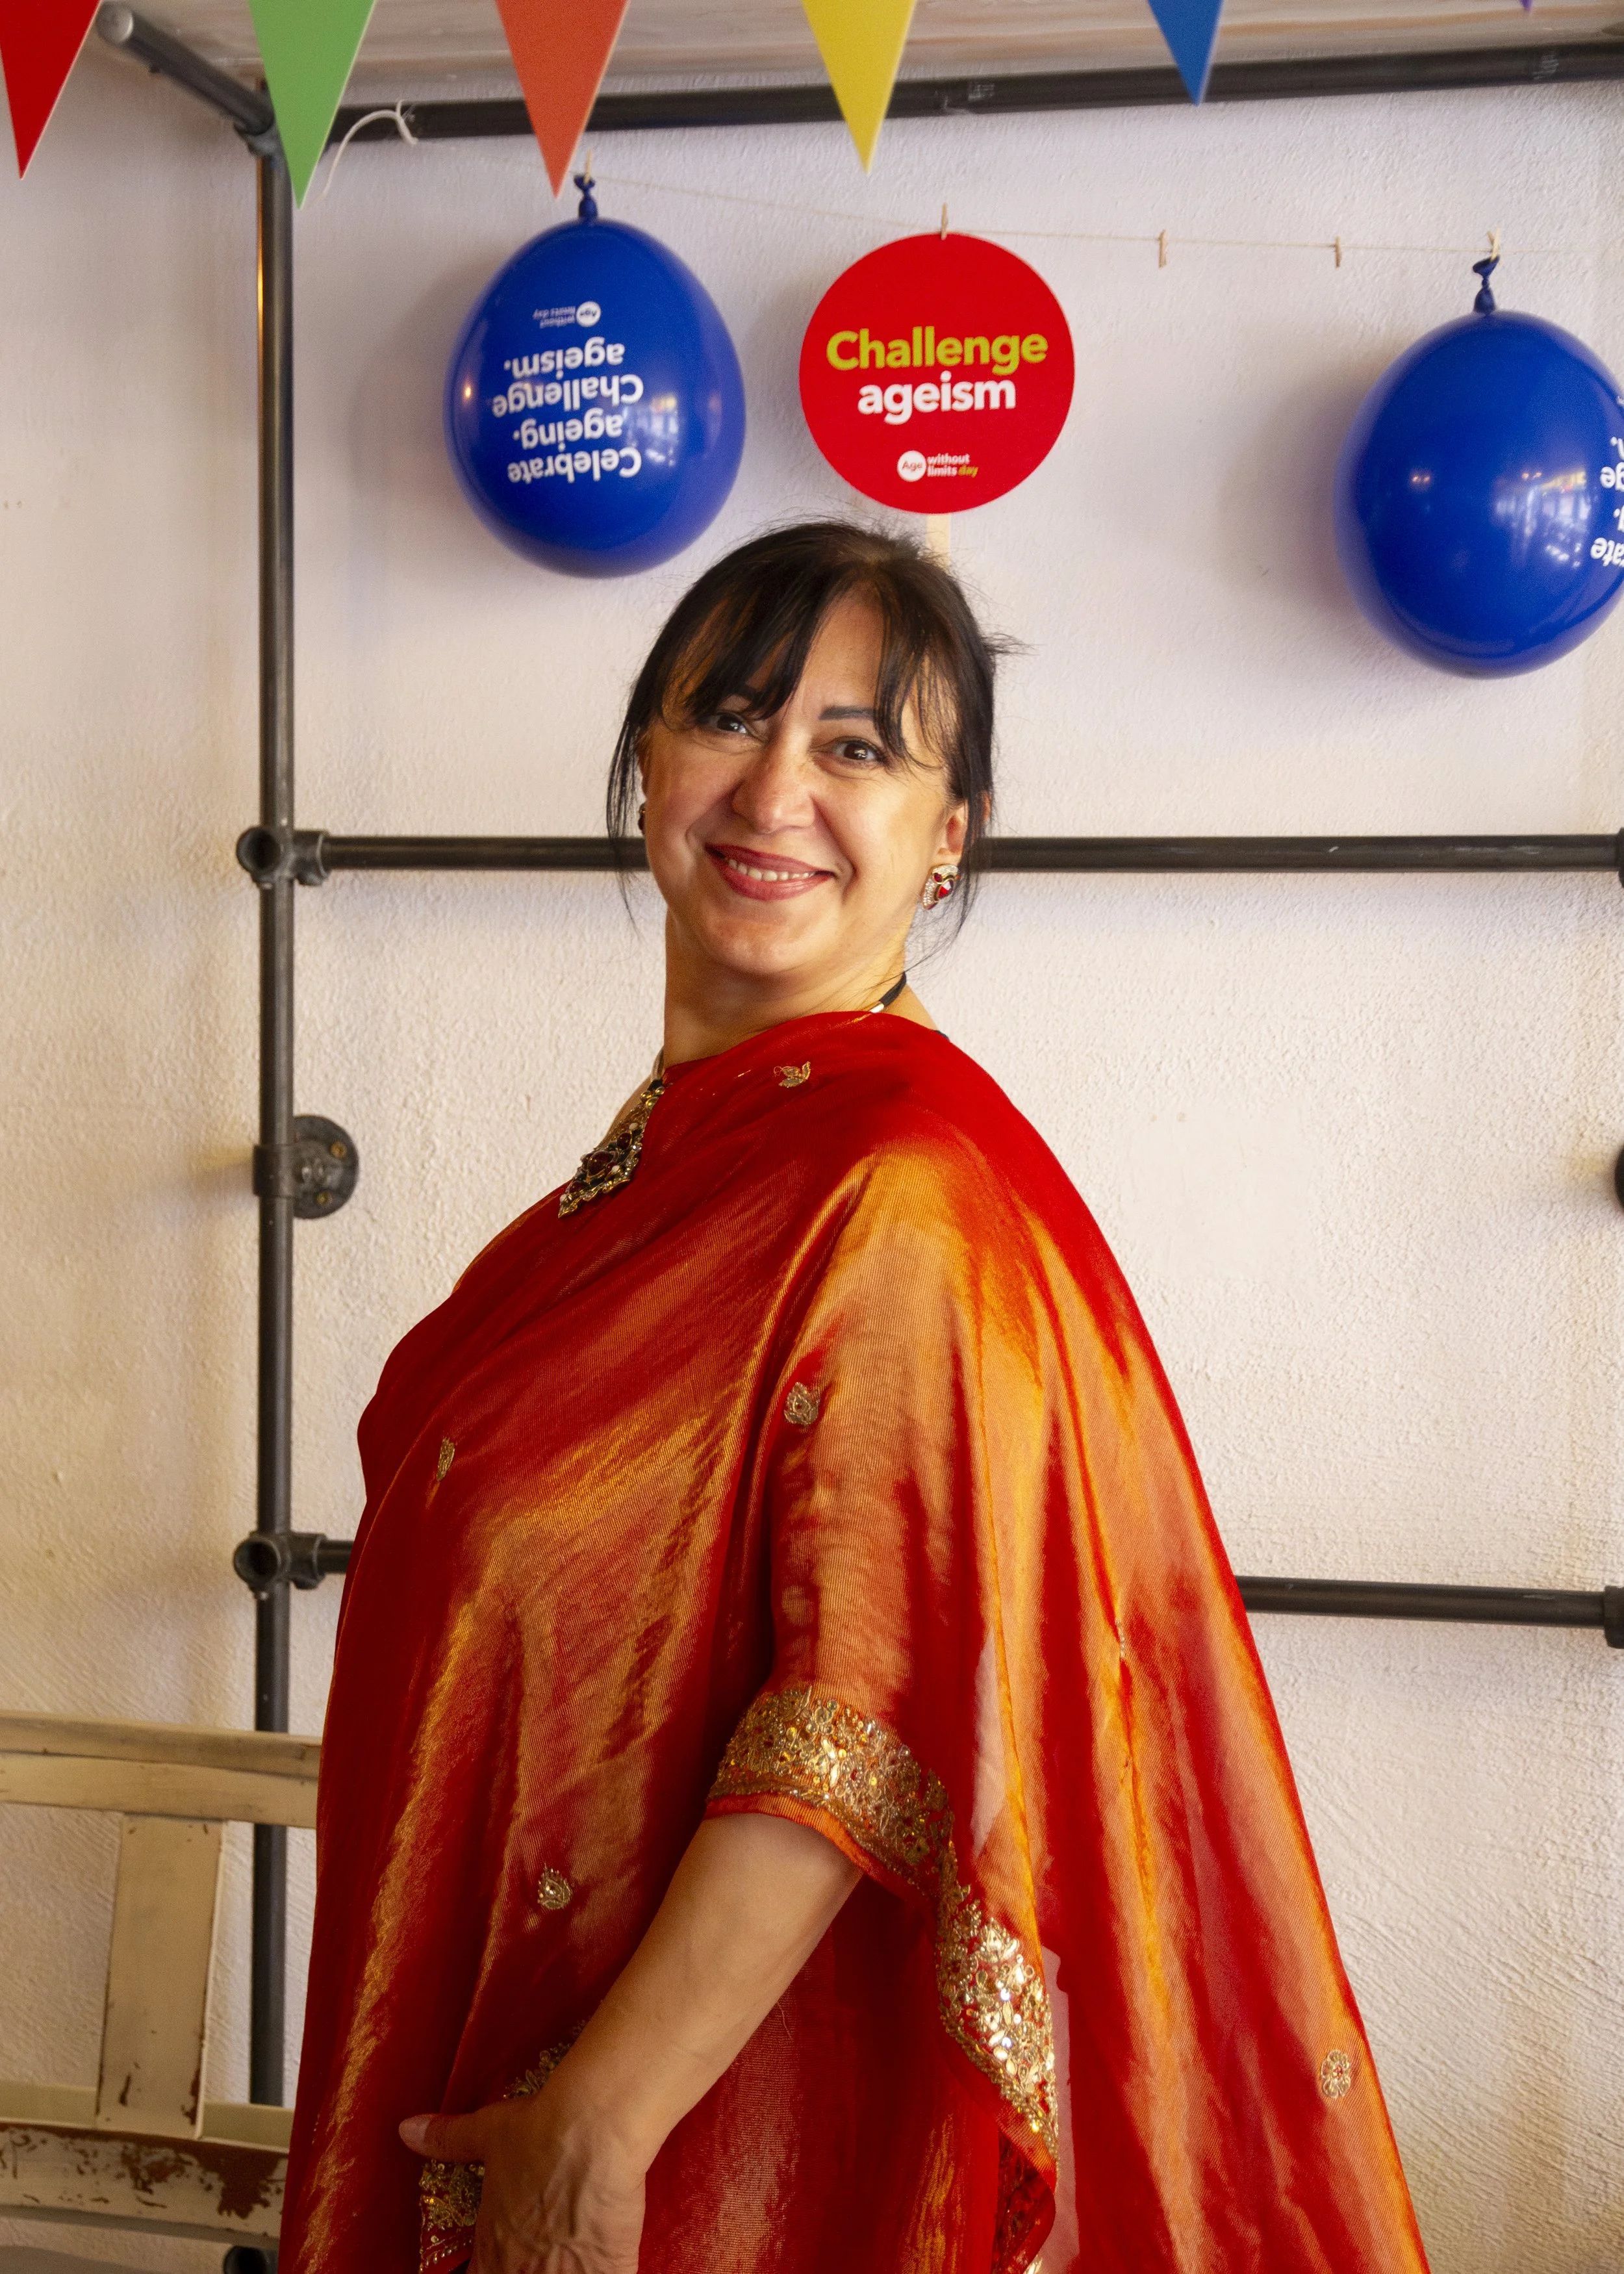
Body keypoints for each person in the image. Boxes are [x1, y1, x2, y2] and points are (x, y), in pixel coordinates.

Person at [279, 521, 1430, 2274]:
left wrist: (593, 2125)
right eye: (726, 715)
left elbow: (861, 1712)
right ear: (643, 767)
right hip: (489, 2088)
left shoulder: (898, 1190)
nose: (770, 787)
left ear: (943, 835)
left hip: (685, 2165)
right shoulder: (643, 1176)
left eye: (854, 745)